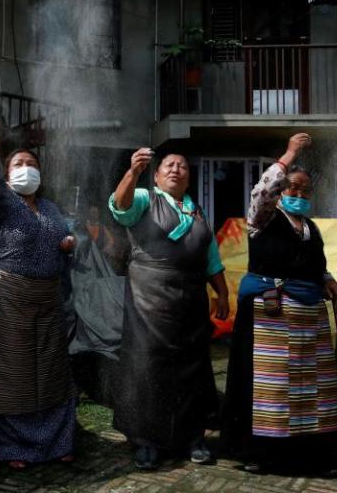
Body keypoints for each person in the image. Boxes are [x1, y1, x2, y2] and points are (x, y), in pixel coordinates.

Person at [220, 133, 337, 475]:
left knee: (310, 386)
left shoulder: (311, 229)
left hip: (308, 317)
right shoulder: (262, 219)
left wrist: (327, 280)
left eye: (305, 190)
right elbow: (262, 191)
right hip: (269, 313)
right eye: (292, 188)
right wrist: (289, 154)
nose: (298, 194)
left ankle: (308, 453)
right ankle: (261, 452)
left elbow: (312, 264)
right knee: (268, 388)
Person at [0, 102, 77, 469]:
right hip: (13, 295)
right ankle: (13, 446)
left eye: (32, 164)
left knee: (52, 370)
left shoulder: (52, 209)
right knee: (14, 373)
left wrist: (68, 243)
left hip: (49, 297)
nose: (26, 168)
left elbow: (63, 239)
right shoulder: (3, 203)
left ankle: (57, 442)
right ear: (9, 175)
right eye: (19, 164)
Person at [108, 147, 229, 470]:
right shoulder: (147, 197)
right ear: (158, 175)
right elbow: (120, 208)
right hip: (149, 297)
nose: (177, 169)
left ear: (189, 179)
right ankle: (147, 441)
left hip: (190, 299)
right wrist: (133, 171)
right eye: (169, 165)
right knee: (149, 366)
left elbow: (211, 258)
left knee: (192, 368)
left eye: (183, 167)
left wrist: (222, 293)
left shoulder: (196, 210)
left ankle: (193, 438)